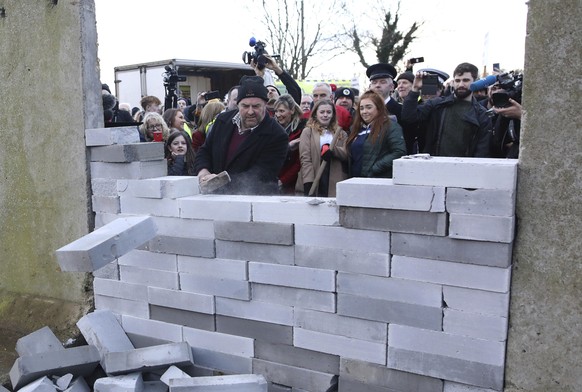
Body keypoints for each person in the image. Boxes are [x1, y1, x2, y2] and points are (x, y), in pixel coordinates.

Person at [194, 75, 288, 195]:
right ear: (237, 104)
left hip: (255, 201)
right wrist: (203, 172)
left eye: (256, 106)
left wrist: (219, 182)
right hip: (215, 198)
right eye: (245, 106)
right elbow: (205, 150)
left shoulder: (277, 135)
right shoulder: (223, 120)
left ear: (265, 105)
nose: (250, 111)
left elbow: (261, 175)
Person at [401, 62, 492, 157]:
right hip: (434, 165)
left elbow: (482, 151)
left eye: (466, 80)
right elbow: (408, 118)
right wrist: (415, 89)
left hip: (465, 167)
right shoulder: (437, 105)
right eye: (457, 80)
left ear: (475, 81)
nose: (461, 84)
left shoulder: (482, 114)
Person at [340, 90, 406, 178]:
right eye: (361, 108)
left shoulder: (390, 126)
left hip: (378, 180)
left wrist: (375, 168)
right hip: (355, 179)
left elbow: (399, 152)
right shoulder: (356, 129)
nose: (364, 111)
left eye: (369, 107)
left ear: (379, 108)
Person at [299, 99, 348, 197]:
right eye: (322, 112)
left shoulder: (341, 134)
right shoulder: (308, 132)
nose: (325, 115)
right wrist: (308, 181)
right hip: (315, 174)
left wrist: (333, 150)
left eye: (329, 112)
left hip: (333, 176)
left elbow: (346, 155)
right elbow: (305, 158)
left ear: (333, 114)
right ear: (315, 114)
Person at [273, 94, 307, 194]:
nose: (278, 115)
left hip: (293, 184)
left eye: (281, 111)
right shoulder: (272, 128)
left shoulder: (302, 130)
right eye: (276, 111)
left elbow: (300, 162)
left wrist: (283, 180)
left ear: (292, 110)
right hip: (273, 181)